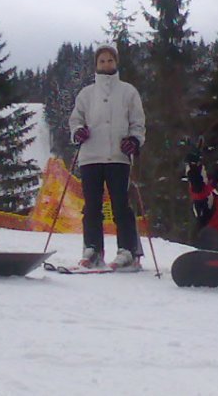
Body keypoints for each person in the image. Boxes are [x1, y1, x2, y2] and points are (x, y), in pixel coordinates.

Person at [69, 44, 146, 269]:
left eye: (110, 60)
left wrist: (134, 140)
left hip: (118, 157)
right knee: (92, 206)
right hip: (90, 156)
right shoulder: (86, 93)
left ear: (116, 63)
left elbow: (138, 121)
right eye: (102, 61)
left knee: (121, 205)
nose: (106, 64)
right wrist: (78, 131)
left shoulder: (128, 92)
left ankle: (128, 250)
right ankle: (92, 249)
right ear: (96, 65)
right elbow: (75, 119)